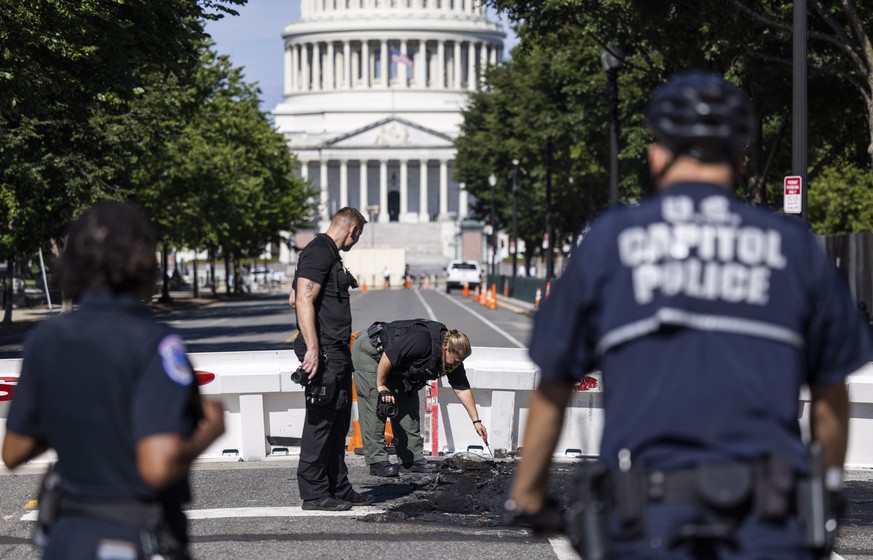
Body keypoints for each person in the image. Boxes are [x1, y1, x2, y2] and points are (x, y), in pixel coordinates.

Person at [505, 72, 873, 559]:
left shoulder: (611, 240)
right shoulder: (794, 246)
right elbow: (831, 392)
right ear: (739, 161)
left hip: (647, 524)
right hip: (770, 521)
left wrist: (529, 494)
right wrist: (826, 490)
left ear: (658, 157)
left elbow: (553, 385)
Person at [1, 202, 225, 559]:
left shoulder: (45, 340)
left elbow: (13, 452)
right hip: (134, 535)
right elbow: (156, 466)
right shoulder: (154, 342)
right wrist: (211, 429)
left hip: (66, 537)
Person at [293, 206, 370, 511]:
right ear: (353, 230)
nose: (356, 241)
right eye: (358, 236)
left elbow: (295, 296)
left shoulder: (329, 254)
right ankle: (313, 494)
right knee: (320, 424)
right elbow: (302, 298)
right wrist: (313, 347)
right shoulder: (319, 251)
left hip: (335, 350)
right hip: (323, 351)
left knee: (339, 424)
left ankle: (338, 486)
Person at [351, 319, 488, 477]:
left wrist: (476, 421)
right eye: (456, 360)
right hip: (372, 351)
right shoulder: (421, 341)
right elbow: (389, 356)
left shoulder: (453, 360)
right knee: (376, 401)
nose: (457, 364)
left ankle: (411, 461)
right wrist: (381, 385)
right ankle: (377, 462)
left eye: (461, 361)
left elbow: (462, 389)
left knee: (408, 406)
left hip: (396, 364)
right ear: (446, 348)